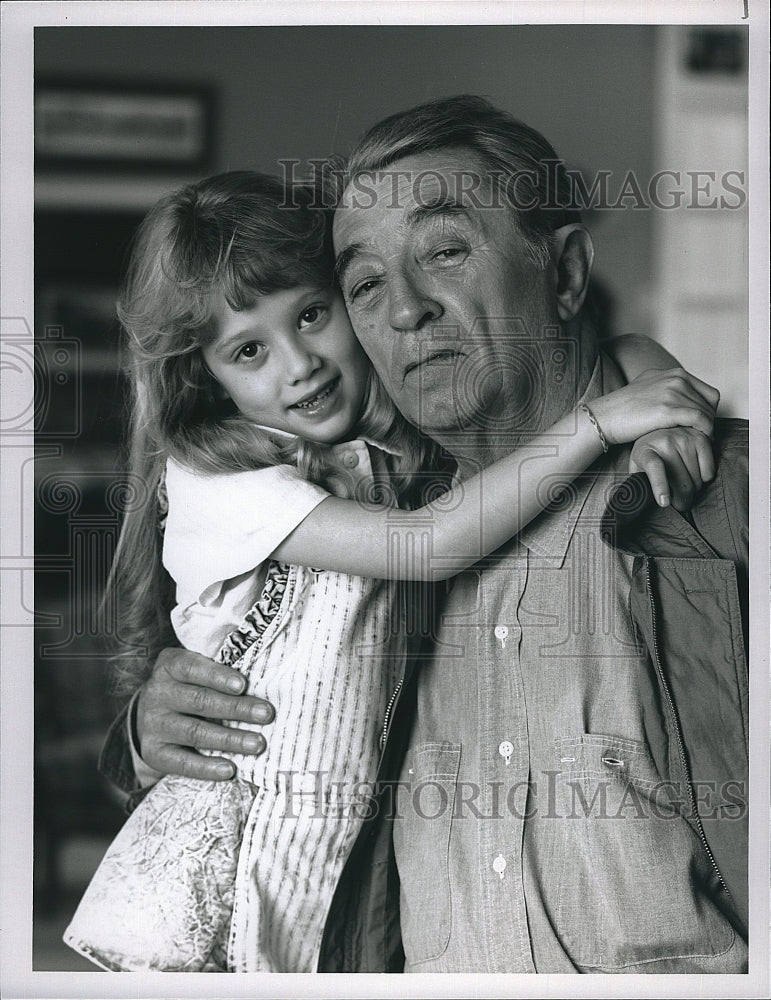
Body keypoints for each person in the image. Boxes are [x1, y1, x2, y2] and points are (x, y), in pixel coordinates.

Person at [99, 97, 749, 974]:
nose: (402, 310)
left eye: (444, 251)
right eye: (364, 284)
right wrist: (149, 730)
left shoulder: (721, 506)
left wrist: (658, 390)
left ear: (562, 273)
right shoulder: (378, 523)